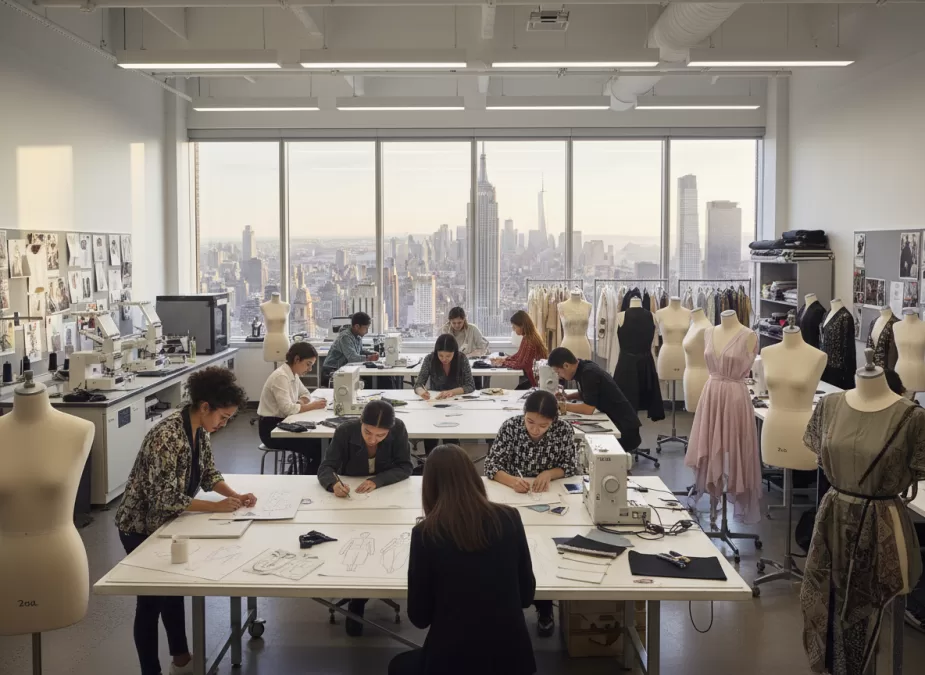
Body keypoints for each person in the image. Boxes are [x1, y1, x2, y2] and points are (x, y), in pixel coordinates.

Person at [114, 367, 255, 675]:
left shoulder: (198, 431)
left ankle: (180, 657)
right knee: (151, 601)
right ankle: (151, 670)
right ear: (204, 407)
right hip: (140, 527)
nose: (224, 423)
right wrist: (214, 508)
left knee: (173, 589)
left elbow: (208, 474)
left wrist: (235, 495)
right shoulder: (166, 437)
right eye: (223, 417)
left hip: (168, 522)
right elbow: (163, 498)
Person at [388, 444, 537, 675]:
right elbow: (526, 596)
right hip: (512, 659)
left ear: (429, 486)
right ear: (472, 476)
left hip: (451, 661)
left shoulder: (426, 534)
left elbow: (419, 617)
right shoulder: (510, 518)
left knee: (398, 666)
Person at [483, 389, 578, 637]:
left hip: (550, 498)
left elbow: (571, 465)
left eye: (543, 425)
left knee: (547, 549)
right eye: (530, 422)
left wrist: (549, 473)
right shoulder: (511, 427)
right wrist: (511, 480)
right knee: (512, 549)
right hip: (515, 496)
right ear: (523, 415)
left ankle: (545, 608)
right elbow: (491, 465)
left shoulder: (564, 431)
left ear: (554, 422)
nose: (535, 429)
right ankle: (507, 605)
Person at [317, 400, 413, 636]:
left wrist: (377, 481)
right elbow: (326, 467)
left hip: (388, 496)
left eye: (380, 435)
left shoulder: (399, 428)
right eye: (368, 432)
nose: (372, 439)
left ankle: (366, 593)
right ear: (360, 423)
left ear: (390, 430)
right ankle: (356, 598)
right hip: (352, 500)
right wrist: (333, 485)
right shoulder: (344, 431)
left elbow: (405, 466)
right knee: (352, 542)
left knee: (383, 540)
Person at [547, 346, 642, 452]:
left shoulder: (589, 373)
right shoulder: (584, 367)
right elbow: (587, 393)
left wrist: (560, 406)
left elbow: (588, 409)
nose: (559, 376)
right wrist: (567, 397)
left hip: (624, 429)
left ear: (566, 365)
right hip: (619, 421)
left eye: (558, 372)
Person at [256, 342, 326, 474]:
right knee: (319, 449)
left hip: (285, 423)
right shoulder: (281, 376)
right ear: (297, 359)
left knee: (322, 445)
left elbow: (306, 394)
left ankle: (301, 471)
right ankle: (305, 481)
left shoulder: (293, 374)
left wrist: (299, 403)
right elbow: (288, 409)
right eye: (308, 364)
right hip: (271, 429)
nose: (310, 369)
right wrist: (311, 406)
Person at [491, 310, 547, 388]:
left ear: (522, 326)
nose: (513, 329)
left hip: (536, 381)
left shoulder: (529, 340)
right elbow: (518, 356)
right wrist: (504, 359)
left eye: (515, 327)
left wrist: (503, 363)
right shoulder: (528, 337)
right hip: (534, 376)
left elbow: (522, 364)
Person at [322, 311, 378, 382]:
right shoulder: (345, 337)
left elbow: (360, 352)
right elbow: (352, 358)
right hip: (332, 370)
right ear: (357, 326)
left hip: (344, 368)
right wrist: (369, 358)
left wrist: (372, 354)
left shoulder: (357, 336)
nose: (367, 331)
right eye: (366, 328)